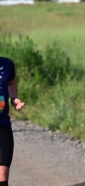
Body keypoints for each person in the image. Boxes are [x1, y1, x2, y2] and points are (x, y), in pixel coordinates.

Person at [0, 57, 25, 186]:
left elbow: (11, 82)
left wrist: (14, 98)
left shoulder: (7, 65)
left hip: (3, 125)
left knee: (3, 175)